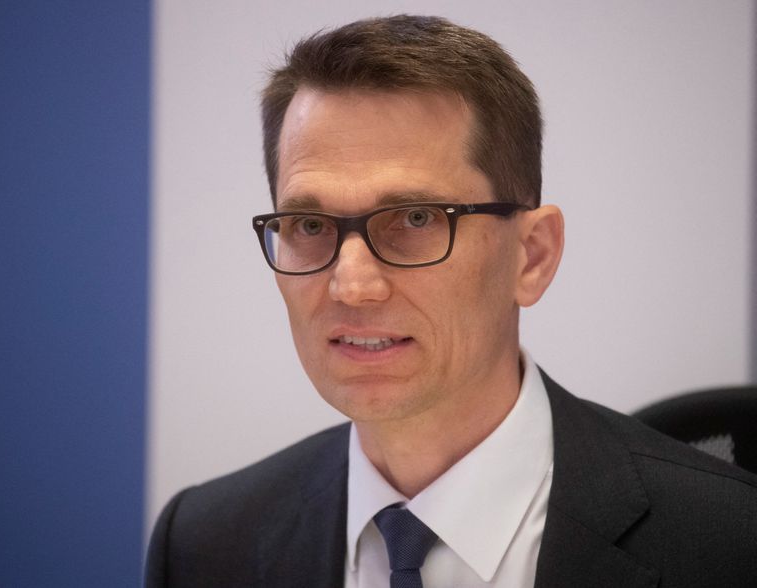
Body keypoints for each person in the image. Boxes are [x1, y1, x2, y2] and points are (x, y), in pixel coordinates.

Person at [146, 15, 757, 588]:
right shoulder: (203, 544)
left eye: (414, 218)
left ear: (532, 255)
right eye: (308, 226)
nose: (352, 285)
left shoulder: (733, 542)